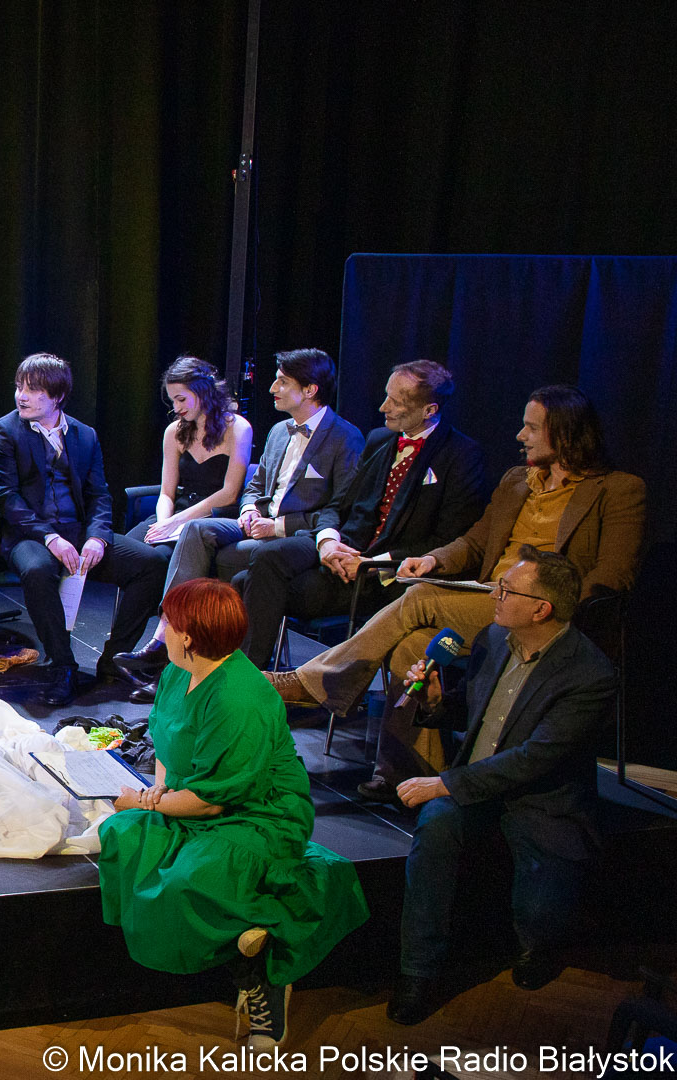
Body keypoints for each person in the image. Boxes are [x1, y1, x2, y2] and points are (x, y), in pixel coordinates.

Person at [98, 580, 368, 1051]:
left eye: (167, 622)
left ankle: (263, 972)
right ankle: (240, 939)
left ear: (188, 636)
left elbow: (213, 801)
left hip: (257, 815)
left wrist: (143, 801)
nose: (161, 630)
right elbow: (165, 739)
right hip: (192, 796)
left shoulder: (238, 696)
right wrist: (159, 787)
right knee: (121, 835)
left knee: (190, 878)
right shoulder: (178, 672)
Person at [267, 385, 644, 717]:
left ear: (565, 434)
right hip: (490, 597)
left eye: (531, 428)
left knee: (421, 597)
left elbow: (614, 573)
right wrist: (433, 559)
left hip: (544, 609)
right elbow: (475, 542)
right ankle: (409, 768)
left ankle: (311, 683)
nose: (520, 435)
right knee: (413, 648)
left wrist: (554, 607)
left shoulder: (618, 490)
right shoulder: (518, 481)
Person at [386, 549, 616, 1025]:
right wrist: (436, 703)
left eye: (507, 590)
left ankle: (538, 946)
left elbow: (535, 759)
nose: (495, 593)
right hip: (478, 784)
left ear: (541, 609)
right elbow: (472, 711)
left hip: (540, 799)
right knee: (435, 829)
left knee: (542, 914)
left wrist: (444, 782)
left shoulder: (589, 674)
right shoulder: (492, 639)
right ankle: (417, 971)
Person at [236, 360, 489, 672]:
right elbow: (338, 505)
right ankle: (253, 676)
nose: (383, 407)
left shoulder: (461, 455)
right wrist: (328, 542)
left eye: (396, 402)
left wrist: (372, 563)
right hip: (344, 545)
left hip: (386, 571)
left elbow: (447, 540)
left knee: (244, 583)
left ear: (429, 410)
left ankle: (253, 678)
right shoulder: (379, 440)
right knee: (267, 556)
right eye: (386, 396)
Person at [0, 354, 170, 706]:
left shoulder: (84, 435)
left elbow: (99, 493)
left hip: (78, 531)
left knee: (151, 564)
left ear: (57, 397)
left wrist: (98, 537)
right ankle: (62, 665)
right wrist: (50, 538)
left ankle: (114, 659)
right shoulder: (5, 431)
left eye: (33, 390)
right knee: (38, 569)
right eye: (19, 387)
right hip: (29, 534)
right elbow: (5, 497)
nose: (21, 396)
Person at [162, 348, 363, 626]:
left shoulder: (345, 438)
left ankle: (210, 635)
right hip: (258, 523)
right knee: (196, 528)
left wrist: (277, 527)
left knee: (230, 557)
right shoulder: (279, 430)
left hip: (296, 535)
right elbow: (255, 486)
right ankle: (169, 627)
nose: (272, 388)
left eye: (283, 382)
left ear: (310, 390)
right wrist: (248, 510)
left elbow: (339, 510)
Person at [110, 356, 255, 701]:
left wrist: (178, 521)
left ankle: (162, 655)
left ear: (203, 392)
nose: (176, 408)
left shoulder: (238, 428)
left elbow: (229, 493)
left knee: (170, 553)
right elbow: (166, 492)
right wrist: (163, 522)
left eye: (181, 399)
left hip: (214, 516)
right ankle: (118, 658)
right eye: (172, 400)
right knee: (138, 556)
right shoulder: (174, 431)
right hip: (175, 514)